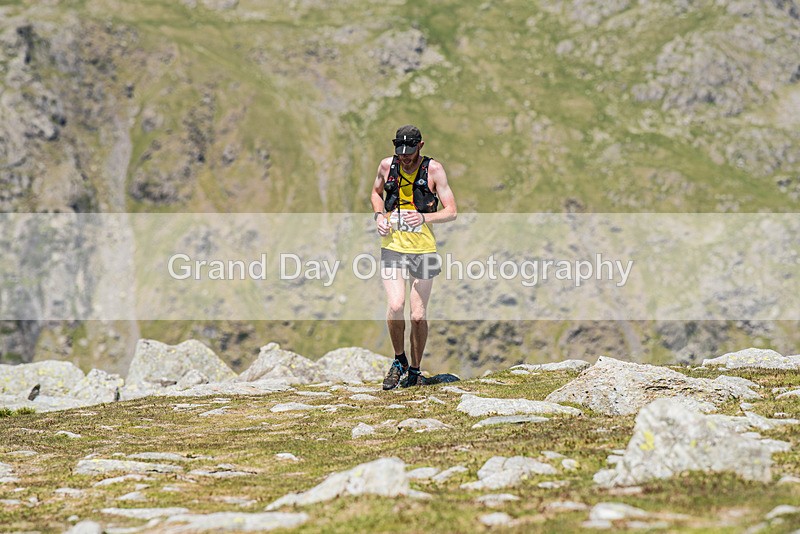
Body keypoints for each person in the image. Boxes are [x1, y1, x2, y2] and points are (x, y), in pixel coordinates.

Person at [371, 125, 457, 389]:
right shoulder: (387, 166)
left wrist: (423, 217)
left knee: (418, 314)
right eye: (401, 151)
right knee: (396, 305)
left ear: (421, 146)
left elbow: (451, 211)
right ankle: (399, 362)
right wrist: (379, 217)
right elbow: (376, 194)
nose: (405, 157)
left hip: (423, 249)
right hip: (393, 246)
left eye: (410, 152)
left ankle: (416, 371)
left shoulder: (434, 170)